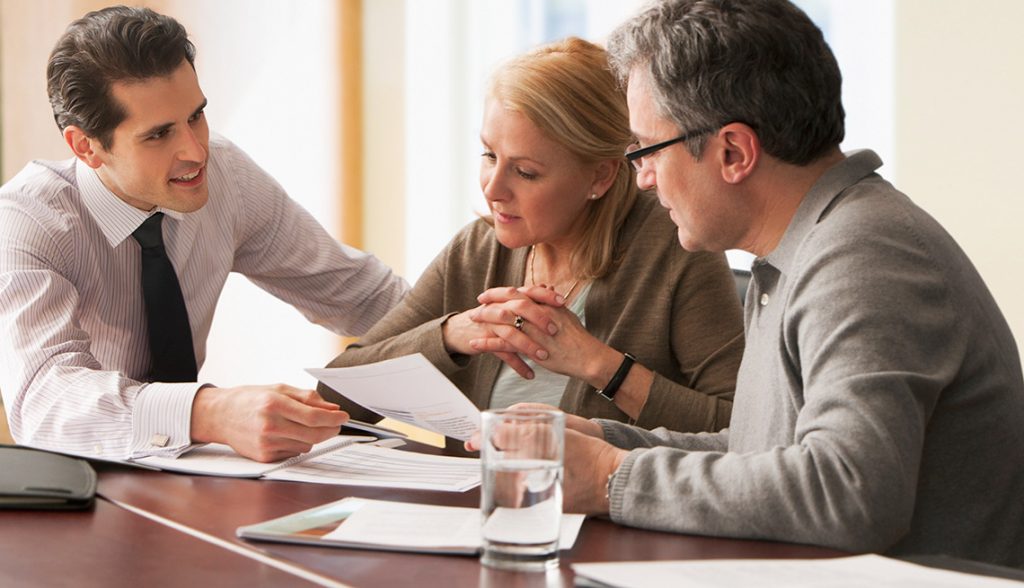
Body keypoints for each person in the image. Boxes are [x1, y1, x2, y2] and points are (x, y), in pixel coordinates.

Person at [469, 0, 1024, 569]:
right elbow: (763, 454)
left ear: (733, 151)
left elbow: (850, 492)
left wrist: (614, 476)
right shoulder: (805, 247)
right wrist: (608, 443)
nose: (642, 179)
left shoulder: (864, 257)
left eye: (646, 151)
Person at [0, 6, 409, 462]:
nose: (195, 152)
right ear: (86, 147)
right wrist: (210, 411)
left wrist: (473, 337)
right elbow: (44, 402)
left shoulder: (226, 174)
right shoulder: (26, 219)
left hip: (194, 483)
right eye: (159, 135)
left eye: (196, 116)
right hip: (78, 492)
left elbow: (362, 296)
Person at [320, 38, 744, 445]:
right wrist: (451, 335)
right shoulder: (479, 249)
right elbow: (333, 397)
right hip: (472, 512)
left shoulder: (679, 249)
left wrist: (598, 365)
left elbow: (743, 431)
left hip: (606, 515)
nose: (493, 189)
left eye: (525, 172)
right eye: (489, 156)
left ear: (600, 175)